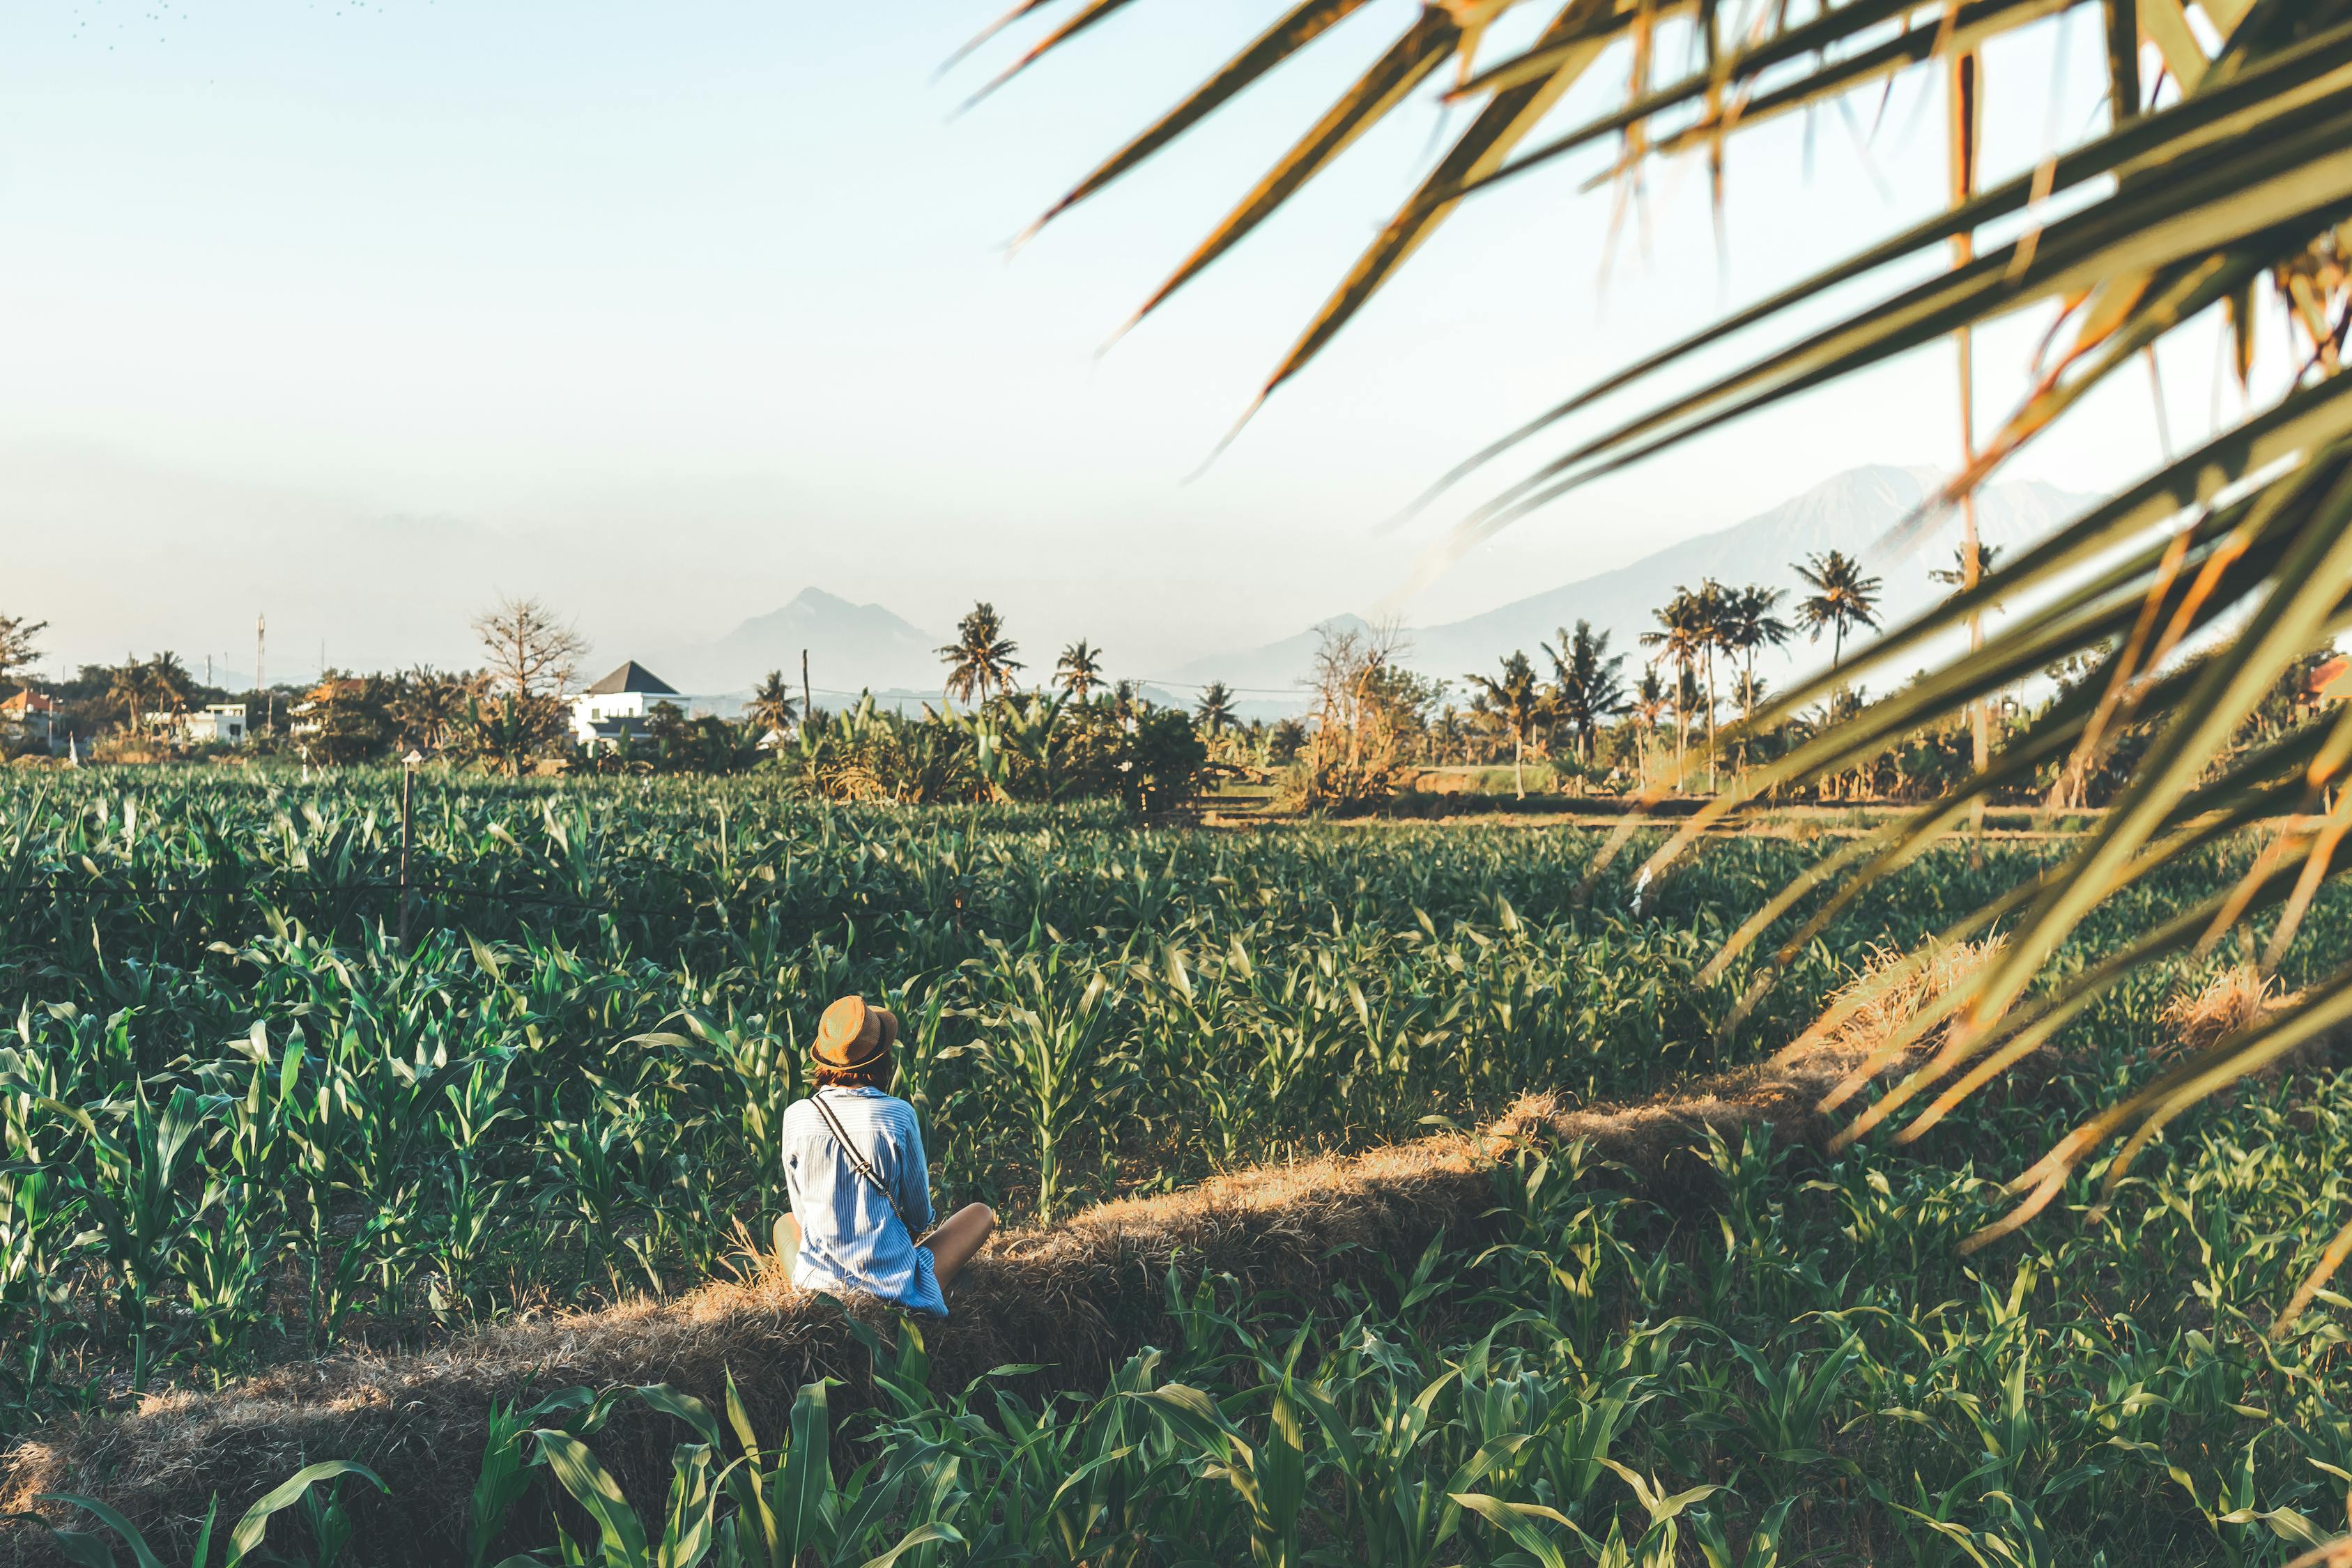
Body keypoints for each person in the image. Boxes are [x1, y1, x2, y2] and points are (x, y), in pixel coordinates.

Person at [772, 995, 994, 1316]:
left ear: (823, 1058)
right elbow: (918, 1216)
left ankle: (812, 1293)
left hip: (823, 1287)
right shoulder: (897, 1114)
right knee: (981, 1214)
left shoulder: (797, 1115)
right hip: (893, 1286)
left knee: (785, 1223)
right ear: (881, 1058)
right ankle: (923, 1288)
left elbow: (803, 1213)